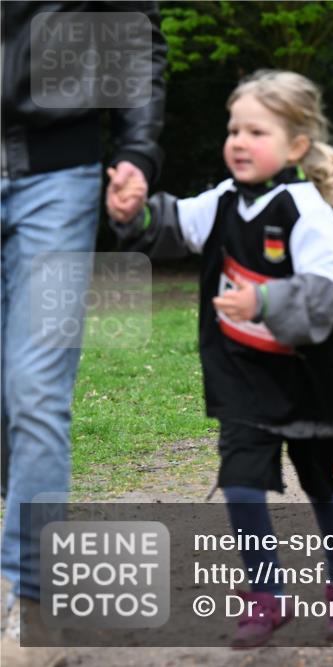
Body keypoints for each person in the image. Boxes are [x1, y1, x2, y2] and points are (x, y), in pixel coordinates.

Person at [110, 70, 333, 648]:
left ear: (296, 145)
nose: (238, 141)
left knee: (326, 487)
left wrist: (265, 299)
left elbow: (325, 296)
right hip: (243, 383)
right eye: (234, 129)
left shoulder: (306, 208)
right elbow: (172, 225)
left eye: (256, 130)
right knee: (243, 488)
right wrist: (135, 212)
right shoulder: (222, 201)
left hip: (310, 384)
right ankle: (265, 596)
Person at [0, 3, 166, 665]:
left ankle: (34, 603)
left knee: (37, 386)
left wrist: (138, 150)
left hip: (59, 176)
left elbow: (135, 37)